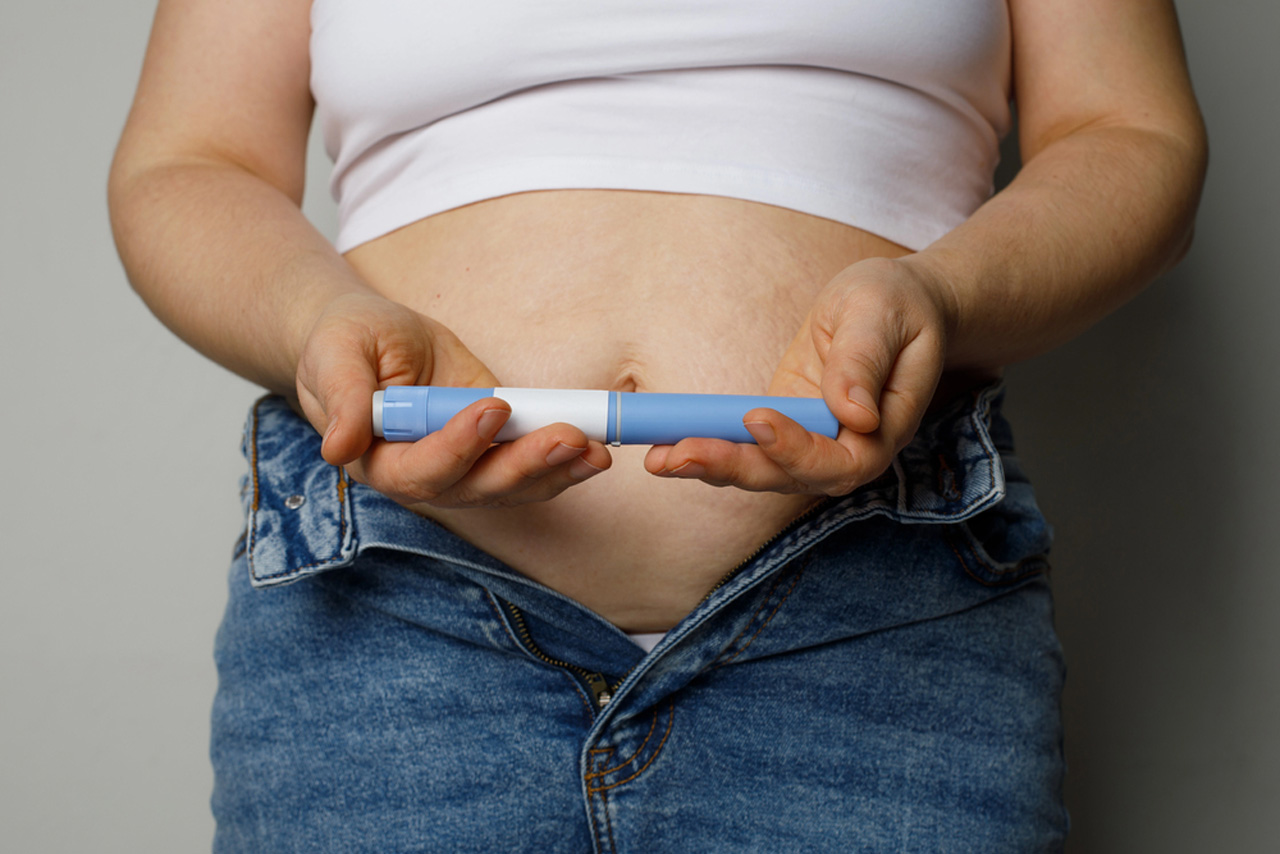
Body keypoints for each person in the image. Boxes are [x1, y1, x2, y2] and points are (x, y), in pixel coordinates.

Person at [109, 0, 1206, 850]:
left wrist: (943, 297)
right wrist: (321, 323)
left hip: (876, 600)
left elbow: (1129, 132)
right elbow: (189, 160)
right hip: (394, 604)